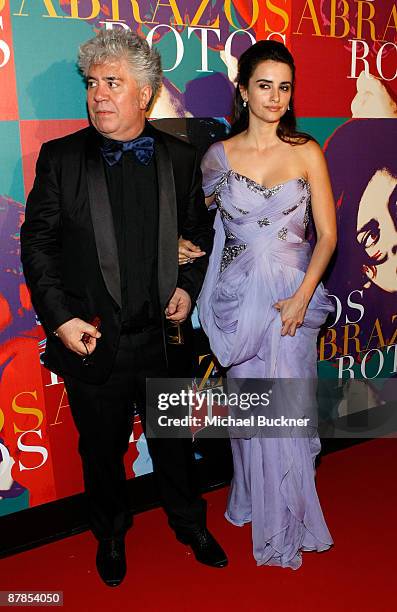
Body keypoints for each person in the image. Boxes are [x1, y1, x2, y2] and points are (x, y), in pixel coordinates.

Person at [20, 29, 227, 587]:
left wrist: (187, 283)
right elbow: (37, 245)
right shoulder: (61, 159)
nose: (99, 95)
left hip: (164, 340)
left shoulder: (181, 158)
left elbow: (197, 234)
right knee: (102, 455)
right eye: (92, 83)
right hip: (93, 341)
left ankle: (190, 525)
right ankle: (109, 536)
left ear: (145, 92)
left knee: (173, 447)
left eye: (113, 83)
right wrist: (61, 320)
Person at [194, 40, 337, 568]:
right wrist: (190, 249)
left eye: (285, 86)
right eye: (264, 85)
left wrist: (301, 297)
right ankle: (255, 501)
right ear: (243, 90)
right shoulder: (217, 157)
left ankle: (292, 518)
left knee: (290, 412)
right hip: (238, 304)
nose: (275, 96)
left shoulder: (306, 152)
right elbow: (210, 229)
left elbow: (327, 236)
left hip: (291, 301)